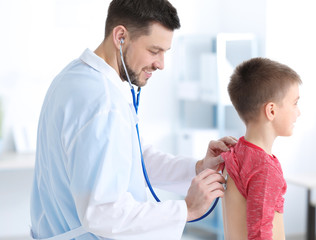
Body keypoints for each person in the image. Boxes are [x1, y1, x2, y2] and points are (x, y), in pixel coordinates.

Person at [30, 0, 237, 239]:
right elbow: (103, 213)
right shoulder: (103, 101)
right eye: (154, 51)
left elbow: (128, 160)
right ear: (120, 37)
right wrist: (186, 209)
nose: (160, 64)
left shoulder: (74, 77)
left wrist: (198, 168)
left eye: (164, 53)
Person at [220, 57, 302, 240]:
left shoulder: (237, 152)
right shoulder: (264, 168)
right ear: (271, 111)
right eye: (295, 103)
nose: (299, 112)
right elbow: (260, 234)